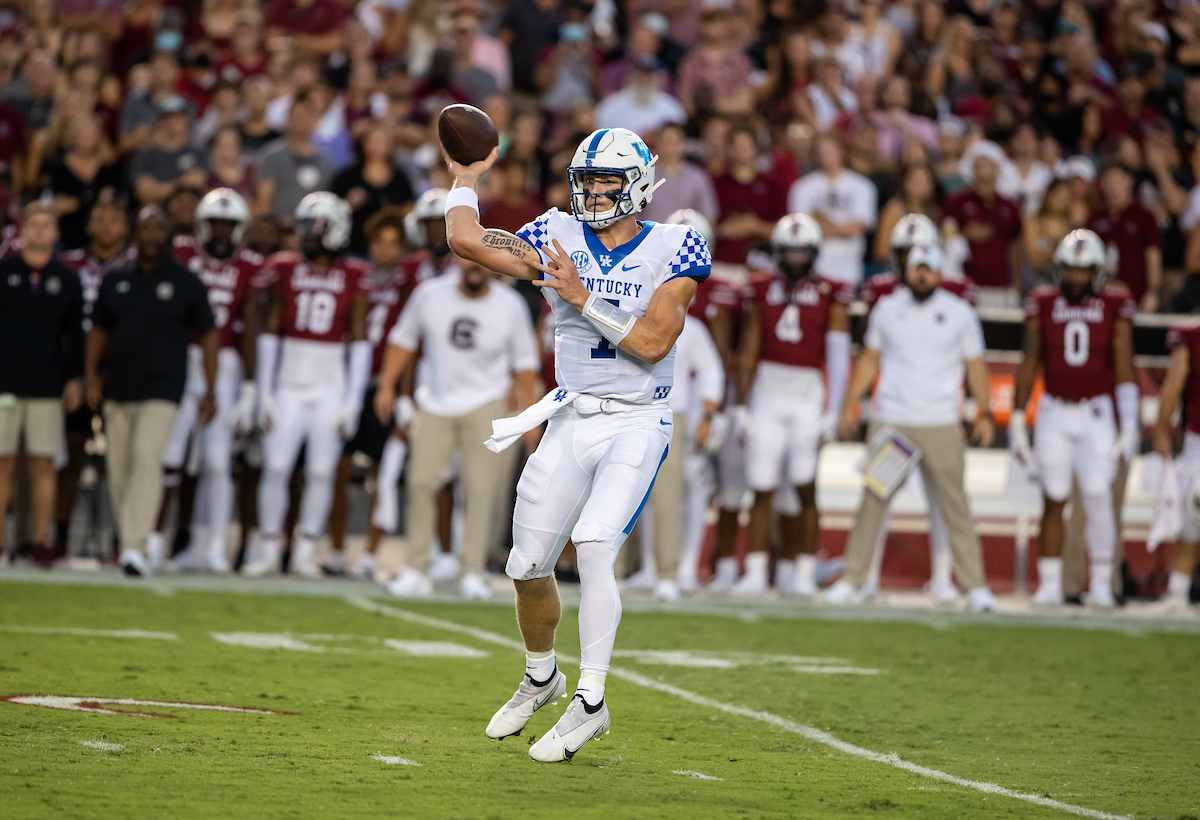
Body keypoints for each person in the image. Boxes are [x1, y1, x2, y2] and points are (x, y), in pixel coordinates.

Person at [444, 126, 709, 761]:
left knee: (592, 546)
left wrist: (583, 297)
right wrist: (465, 179)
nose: (591, 192)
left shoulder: (677, 244)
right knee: (525, 565)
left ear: (639, 183)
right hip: (569, 417)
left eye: (606, 180)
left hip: (636, 419)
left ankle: (590, 702)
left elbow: (651, 344)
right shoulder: (555, 233)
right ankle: (543, 677)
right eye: (584, 179)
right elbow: (465, 242)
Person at [828, 244, 996, 610]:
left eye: (929, 269)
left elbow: (976, 365)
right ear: (906, 270)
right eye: (917, 268)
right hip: (894, 418)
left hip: (941, 420)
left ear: (940, 273)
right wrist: (849, 403)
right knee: (873, 501)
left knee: (956, 506)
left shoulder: (959, 312)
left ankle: (975, 585)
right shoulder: (888, 309)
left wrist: (984, 411)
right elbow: (870, 359)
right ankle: (853, 579)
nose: (922, 274)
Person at [374, 256, 539, 599]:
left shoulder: (510, 305)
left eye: (481, 263)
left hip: (487, 401)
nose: (475, 269)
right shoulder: (430, 294)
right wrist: (387, 384)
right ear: (456, 263)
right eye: (468, 262)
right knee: (420, 483)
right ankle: (417, 568)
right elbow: (403, 339)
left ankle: (472, 570)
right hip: (435, 400)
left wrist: (528, 418)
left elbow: (525, 363)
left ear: (493, 266)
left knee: (480, 490)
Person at [241, 193, 371, 578]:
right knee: (277, 467)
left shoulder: (353, 274)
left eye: (316, 227)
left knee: (320, 472)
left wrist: (352, 400)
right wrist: (263, 391)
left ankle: (304, 551)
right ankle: (267, 549)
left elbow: (360, 337)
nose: (306, 235)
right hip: (288, 383)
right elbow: (270, 330)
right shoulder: (283, 268)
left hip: (330, 385)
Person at [1008, 230, 1138, 607]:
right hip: (1053, 410)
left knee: (1097, 496)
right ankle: (1049, 583)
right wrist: (1018, 420)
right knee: (1053, 497)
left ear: (1097, 271)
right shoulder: (1043, 302)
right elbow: (1030, 359)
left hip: (1096, 411)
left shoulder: (1115, 303)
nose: (1076, 278)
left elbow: (1124, 361)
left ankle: (1100, 584)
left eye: (1083, 271)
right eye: (1071, 270)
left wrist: (1129, 424)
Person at [86, 207, 218, 576]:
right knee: (119, 469)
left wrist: (209, 388)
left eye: (159, 228)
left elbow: (209, 333)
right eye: (145, 228)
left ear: (171, 235)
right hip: (119, 386)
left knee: (147, 458)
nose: (151, 235)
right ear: (134, 233)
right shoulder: (117, 279)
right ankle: (130, 540)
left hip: (164, 386)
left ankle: (134, 546)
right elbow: (98, 330)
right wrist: (91, 375)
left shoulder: (185, 281)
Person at [732, 214, 851, 595]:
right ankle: (754, 570)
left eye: (803, 253)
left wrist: (835, 408)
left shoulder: (830, 292)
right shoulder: (761, 288)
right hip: (768, 392)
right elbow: (749, 351)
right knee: (761, 484)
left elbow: (837, 354)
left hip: (808, 396)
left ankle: (802, 570)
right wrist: (742, 405)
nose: (797, 260)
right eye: (790, 252)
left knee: (804, 485)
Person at [167, 188, 261, 572]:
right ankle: (157, 541)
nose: (221, 231)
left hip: (224, 363)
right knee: (170, 458)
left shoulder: (250, 266)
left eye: (229, 224)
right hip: (180, 358)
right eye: (215, 223)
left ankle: (215, 546)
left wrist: (249, 389)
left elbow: (252, 328)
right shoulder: (184, 254)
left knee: (217, 461)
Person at [325, 208, 414, 581]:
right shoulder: (354, 276)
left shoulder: (409, 281)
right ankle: (335, 549)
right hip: (349, 382)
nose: (386, 250)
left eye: (394, 243)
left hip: (384, 385)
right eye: (380, 242)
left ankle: (370, 555)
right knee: (338, 468)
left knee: (383, 474)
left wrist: (404, 391)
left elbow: (412, 341)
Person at [0, 204, 84, 565]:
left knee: (43, 464)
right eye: (32, 224)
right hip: (4, 383)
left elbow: (75, 335)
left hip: (47, 384)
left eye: (45, 225)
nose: (38, 231)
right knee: (1, 463)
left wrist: (76, 378)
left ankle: (39, 540)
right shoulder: (4, 272)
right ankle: (2, 544)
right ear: (22, 231)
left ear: (55, 232)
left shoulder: (66, 279)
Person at [55, 203, 134, 558]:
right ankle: (58, 534)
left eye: (114, 218)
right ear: (87, 225)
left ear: (125, 227)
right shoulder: (69, 264)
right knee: (68, 453)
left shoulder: (137, 267)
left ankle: (123, 539)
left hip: (120, 370)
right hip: (72, 369)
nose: (106, 225)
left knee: (123, 460)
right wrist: (78, 372)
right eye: (99, 218)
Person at [1150, 322, 1200, 612]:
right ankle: (1178, 591)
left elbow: (1175, 381)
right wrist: (1160, 430)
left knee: (1192, 511)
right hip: (1197, 438)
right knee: (1191, 514)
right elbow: (1175, 381)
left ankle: (1178, 593)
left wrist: (1160, 430)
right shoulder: (1190, 336)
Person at [787, 132, 877, 287]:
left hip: (849, 268)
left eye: (830, 150)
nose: (825, 156)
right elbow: (801, 232)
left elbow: (856, 229)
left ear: (842, 151)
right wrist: (841, 229)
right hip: (812, 267)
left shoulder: (863, 186)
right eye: (821, 151)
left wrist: (822, 225)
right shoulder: (801, 187)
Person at [941, 152, 1023, 291]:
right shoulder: (955, 203)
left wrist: (1017, 282)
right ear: (972, 169)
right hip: (965, 284)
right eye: (979, 165)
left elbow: (1016, 246)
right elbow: (943, 239)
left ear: (997, 168)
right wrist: (964, 234)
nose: (983, 170)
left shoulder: (1009, 206)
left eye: (988, 165)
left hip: (1001, 284)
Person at [1087, 162, 1162, 312]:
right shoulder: (1094, 219)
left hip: (1136, 297)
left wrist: (1153, 292)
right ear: (1102, 184)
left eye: (1118, 180)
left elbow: (1153, 255)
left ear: (1130, 181)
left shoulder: (1144, 217)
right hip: (1100, 299)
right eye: (1109, 180)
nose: (1114, 186)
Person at [254, 95, 336, 224]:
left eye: (305, 117)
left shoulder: (326, 161)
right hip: (280, 230)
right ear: (288, 121)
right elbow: (263, 199)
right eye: (297, 117)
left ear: (314, 122)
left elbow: (329, 202)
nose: (300, 122)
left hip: (314, 233)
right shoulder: (272, 156)